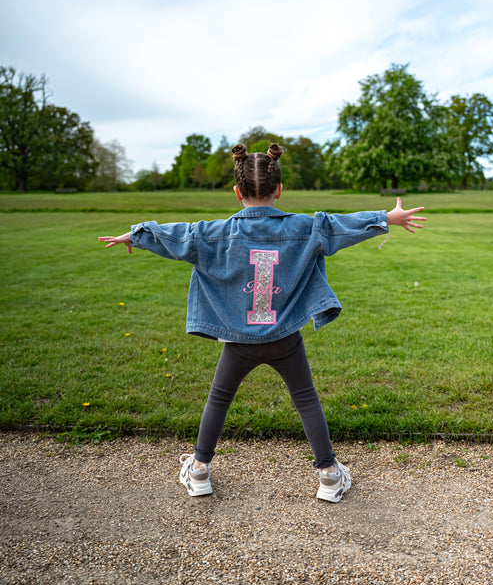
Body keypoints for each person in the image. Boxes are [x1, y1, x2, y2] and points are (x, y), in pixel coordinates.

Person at [98, 143, 426, 502]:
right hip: (285, 337)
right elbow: (339, 225)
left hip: (238, 340)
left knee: (219, 399)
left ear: (237, 192)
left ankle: (199, 470)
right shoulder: (306, 228)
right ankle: (329, 475)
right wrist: (386, 218)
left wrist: (136, 235)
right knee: (306, 399)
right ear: (279, 190)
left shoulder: (212, 233)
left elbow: (177, 236)